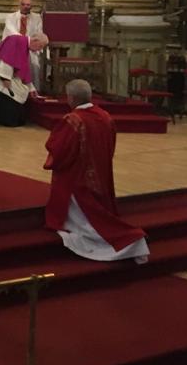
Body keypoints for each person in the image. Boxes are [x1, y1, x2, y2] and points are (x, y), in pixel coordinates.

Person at [44, 79, 149, 263]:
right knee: (101, 213)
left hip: (77, 182)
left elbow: (59, 150)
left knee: (93, 224)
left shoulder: (72, 120)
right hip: (101, 175)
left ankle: (127, 242)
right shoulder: (106, 116)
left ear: (70, 98)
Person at [0, 33, 49, 127]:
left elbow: (23, 69)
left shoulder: (24, 45)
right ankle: (7, 119)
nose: (40, 49)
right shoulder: (16, 40)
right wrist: (5, 77)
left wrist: (31, 88)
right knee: (16, 92)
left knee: (22, 91)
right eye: (41, 46)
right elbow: (7, 59)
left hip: (5, 72)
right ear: (35, 40)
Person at [3, 0, 45, 88]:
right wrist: (25, 42)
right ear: (19, 5)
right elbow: (12, 32)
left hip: (31, 48)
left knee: (35, 65)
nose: (26, 6)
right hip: (14, 48)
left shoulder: (37, 18)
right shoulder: (10, 17)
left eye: (28, 5)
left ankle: (34, 91)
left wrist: (31, 44)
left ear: (31, 6)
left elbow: (39, 33)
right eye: (23, 4)